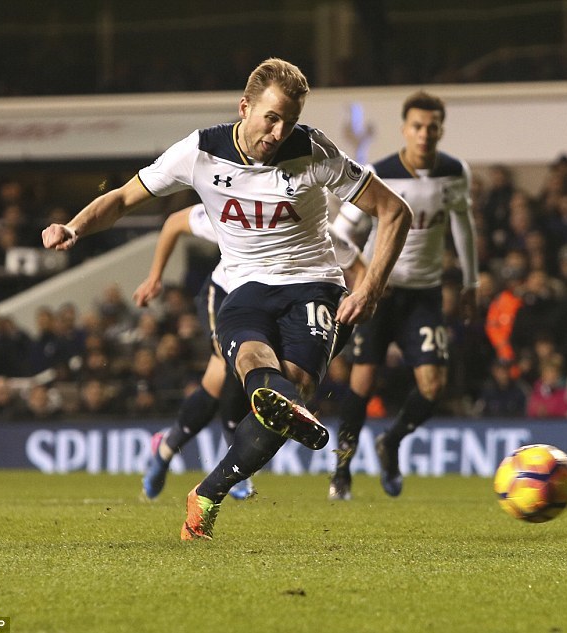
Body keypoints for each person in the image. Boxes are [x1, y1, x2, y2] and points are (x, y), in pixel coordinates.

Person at [42, 58, 412, 540]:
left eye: (290, 121)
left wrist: (369, 287)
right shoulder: (199, 151)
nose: (279, 132)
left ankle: (207, 493)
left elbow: (393, 211)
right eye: (271, 118)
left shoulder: (316, 151)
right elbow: (123, 198)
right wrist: (74, 226)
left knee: (289, 388)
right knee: (267, 379)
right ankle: (270, 407)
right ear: (245, 107)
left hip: (315, 284)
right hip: (243, 287)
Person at [136, 203, 366, 502]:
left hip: (282, 305)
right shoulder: (237, 207)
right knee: (233, 370)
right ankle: (229, 466)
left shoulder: (316, 231)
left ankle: (166, 448)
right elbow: (175, 221)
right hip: (225, 295)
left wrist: (355, 306)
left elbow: (360, 268)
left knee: (220, 383)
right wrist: (155, 276)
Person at [329, 90, 479, 500]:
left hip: (425, 294)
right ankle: (341, 472)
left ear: (440, 130)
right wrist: (365, 275)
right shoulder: (378, 173)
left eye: (432, 127)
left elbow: (463, 226)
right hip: (380, 295)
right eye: (417, 126)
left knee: (434, 385)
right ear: (404, 129)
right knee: (362, 382)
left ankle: (390, 442)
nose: (425, 134)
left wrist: (471, 282)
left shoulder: (454, 172)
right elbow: (340, 233)